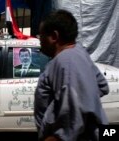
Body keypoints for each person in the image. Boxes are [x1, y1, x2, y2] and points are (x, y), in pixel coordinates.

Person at [34, 9, 109, 141]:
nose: (39, 40)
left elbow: (72, 118)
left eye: (41, 36)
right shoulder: (79, 53)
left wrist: (56, 137)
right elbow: (102, 86)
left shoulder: (66, 61)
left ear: (54, 37)